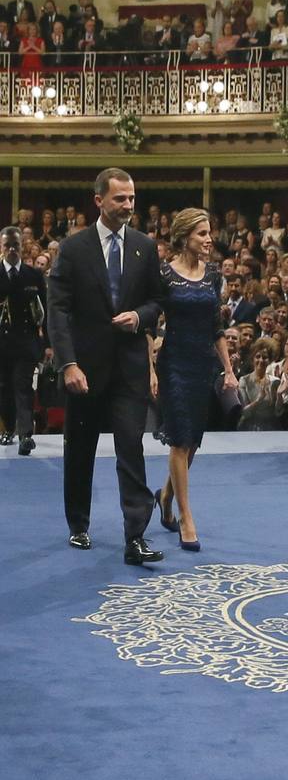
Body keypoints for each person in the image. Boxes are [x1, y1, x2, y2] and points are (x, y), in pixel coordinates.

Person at [46, 168, 166, 564]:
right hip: (85, 369)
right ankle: (78, 524)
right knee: (80, 450)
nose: (129, 206)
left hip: (130, 367)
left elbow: (156, 302)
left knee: (131, 447)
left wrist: (139, 317)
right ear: (99, 200)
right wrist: (68, 364)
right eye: (120, 199)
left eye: (132, 198)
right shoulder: (74, 248)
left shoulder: (144, 247)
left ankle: (136, 537)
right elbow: (59, 312)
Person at [149, 208, 236, 553]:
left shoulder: (213, 275)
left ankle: (167, 495)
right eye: (202, 233)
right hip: (174, 364)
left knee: (193, 441)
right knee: (180, 441)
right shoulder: (165, 275)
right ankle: (186, 516)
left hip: (204, 365)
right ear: (184, 235)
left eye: (209, 233)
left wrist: (228, 370)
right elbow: (151, 323)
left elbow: (217, 327)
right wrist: (150, 368)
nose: (209, 239)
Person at [0, 226, 46, 455]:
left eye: (15, 245)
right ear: (1, 247)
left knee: (23, 387)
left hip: (26, 343)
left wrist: (47, 345)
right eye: (7, 245)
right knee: (4, 388)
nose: (11, 250)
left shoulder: (33, 275)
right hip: (1, 343)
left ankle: (26, 435)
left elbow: (45, 312)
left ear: (22, 246)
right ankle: (8, 429)